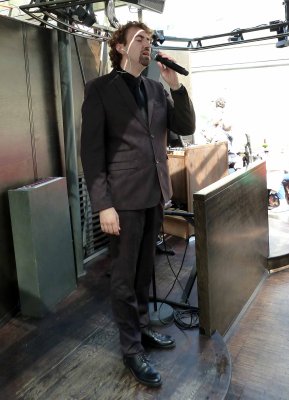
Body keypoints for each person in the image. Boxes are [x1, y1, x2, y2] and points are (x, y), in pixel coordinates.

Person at [80, 21, 195, 388]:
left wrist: (175, 86)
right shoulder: (100, 90)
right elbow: (92, 153)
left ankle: (143, 330)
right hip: (123, 201)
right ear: (119, 47)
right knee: (125, 278)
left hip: (153, 195)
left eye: (150, 40)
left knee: (146, 272)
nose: (148, 45)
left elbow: (185, 125)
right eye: (140, 40)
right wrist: (103, 204)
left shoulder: (156, 89)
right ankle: (131, 349)